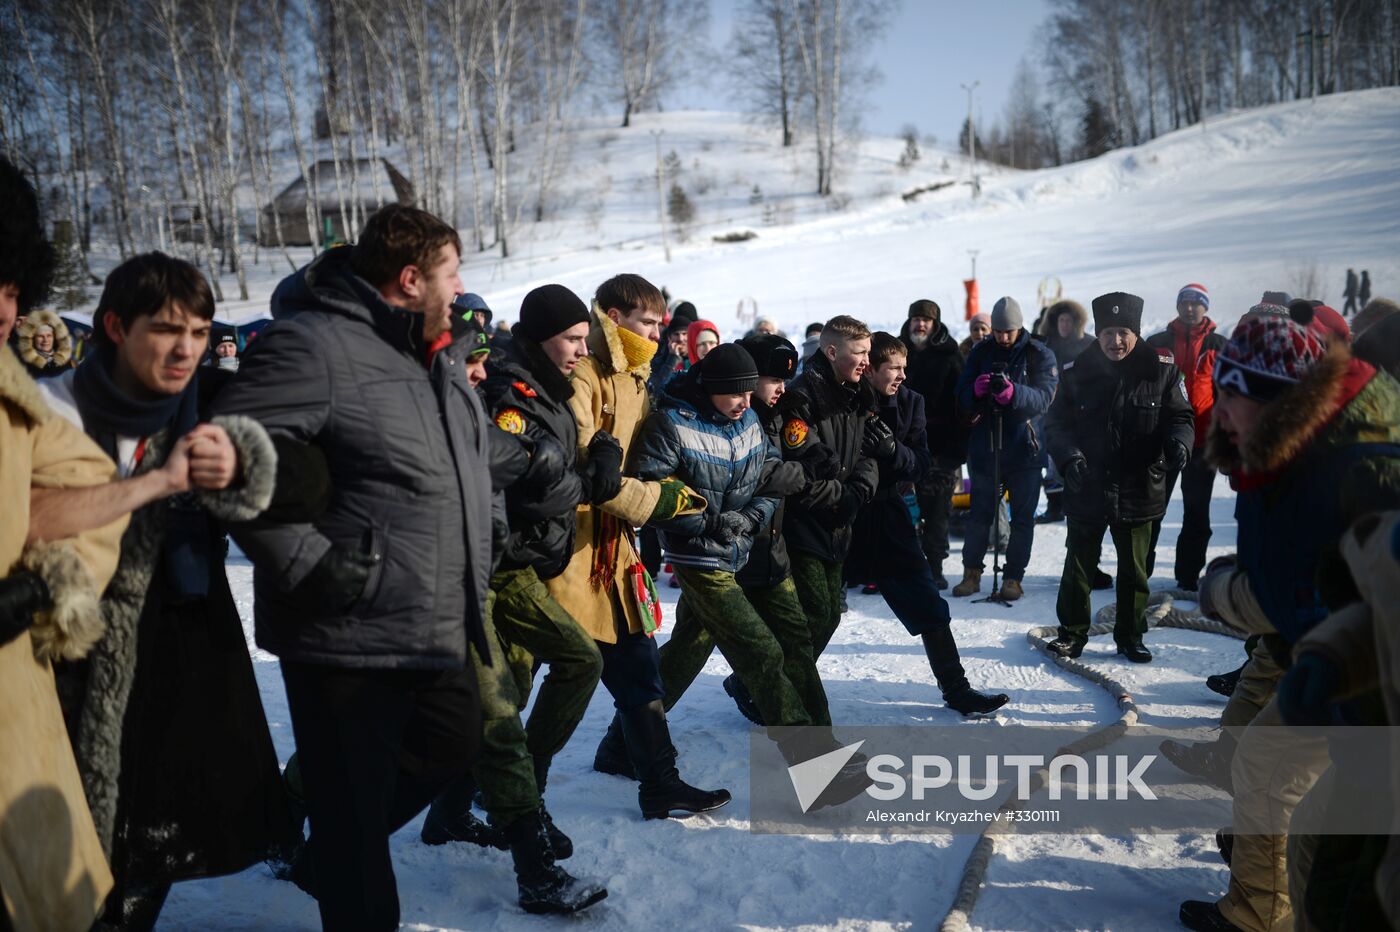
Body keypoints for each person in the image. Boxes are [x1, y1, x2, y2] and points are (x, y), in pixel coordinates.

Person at [213, 205, 493, 931]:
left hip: (432, 616)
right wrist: (309, 563)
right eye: (452, 272)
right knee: (354, 824)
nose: (463, 286)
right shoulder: (313, 345)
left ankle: (331, 848)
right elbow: (228, 456)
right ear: (411, 279)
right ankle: (342, 854)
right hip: (340, 626)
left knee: (452, 743)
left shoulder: (439, 354)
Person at [39, 252, 294, 929]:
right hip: (70, 648)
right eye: (167, 330)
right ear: (116, 328)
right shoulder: (51, 406)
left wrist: (246, 469)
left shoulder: (212, 402)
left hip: (186, 639)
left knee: (160, 840)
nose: (187, 348)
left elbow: (296, 478)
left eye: (201, 331)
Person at [1176, 307, 1400, 932]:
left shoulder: (1359, 470)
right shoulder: (1295, 440)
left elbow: (1311, 590)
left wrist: (1229, 593)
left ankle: (1258, 909)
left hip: (1378, 707)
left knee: (1311, 832)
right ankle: (1262, 893)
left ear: (1278, 401)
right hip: (1343, 674)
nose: (1218, 412)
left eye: (1231, 397)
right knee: (1277, 790)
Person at [422, 285, 610, 914]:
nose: (582, 353)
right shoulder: (508, 389)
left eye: (587, 341)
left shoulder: (536, 388)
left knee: (580, 660)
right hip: (467, 572)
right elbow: (526, 481)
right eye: (573, 340)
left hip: (507, 564)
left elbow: (539, 467)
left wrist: (577, 470)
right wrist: (576, 480)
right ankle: (534, 868)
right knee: (496, 716)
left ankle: (462, 810)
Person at [634, 342, 870, 806]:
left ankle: (623, 746)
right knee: (761, 652)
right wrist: (707, 521)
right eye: (736, 395)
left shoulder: (746, 420)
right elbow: (652, 492)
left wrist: (750, 517)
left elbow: (766, 475)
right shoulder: (672, 423)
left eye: (748, 393)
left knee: (689, 650)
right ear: (714, 389)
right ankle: (816, 770)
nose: (747, 403)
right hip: (699, 559)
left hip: (743, 547)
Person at [0, 154, 130, 932]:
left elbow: (91, 488)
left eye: (15, 288)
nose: (7, 312)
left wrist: (46, 578)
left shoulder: (11, 391)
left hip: (16, 725)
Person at [546, 274, 730, 820]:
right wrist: (659, 502)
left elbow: (651, 448)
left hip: (615, 552)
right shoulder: (585, 375)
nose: (657, 332)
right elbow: (584, 468)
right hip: (567, 551)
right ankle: (494, 784)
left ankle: (660, 783)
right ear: (615, 317)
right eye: (648, 322)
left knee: (638, 667)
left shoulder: (636, 376)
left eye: (660, 323)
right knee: (533, 672)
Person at [845, 332, 1009, 714]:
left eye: (905, 367)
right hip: (846, 516)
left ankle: (957, 690)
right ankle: (754, 682)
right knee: (817, 616)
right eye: (894, 368)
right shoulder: (847, 402)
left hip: (890, 515)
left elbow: (920, 463)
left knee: (929, 604)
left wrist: (892, 450)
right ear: (870, 369)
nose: (903, 374)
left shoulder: (911, 402)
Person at [1044, 292, 1194, 663]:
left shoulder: (1163, 371)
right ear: (1098, 333)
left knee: (1135, 571)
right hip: (1087, 484)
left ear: (1136, 333)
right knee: (1078, 567)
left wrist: (1179, 443)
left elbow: (1182, 417)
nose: (1116, 341)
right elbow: (1056, 426)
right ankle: (1072, 634)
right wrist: (1069, 458)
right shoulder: (1077, 373)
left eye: (1123, 332)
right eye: (1108, 333)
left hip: (1140, 485)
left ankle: (1131, 636)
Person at [711, 333, 839, 726]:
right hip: (724, 558)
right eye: (773, 380)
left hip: (771, 553)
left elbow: (800, 444)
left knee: (797, 646)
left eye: (786, 380)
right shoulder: (734, 419)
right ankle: (626, 746)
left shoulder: (780, 410)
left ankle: (822, 745)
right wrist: (803, 472)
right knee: (687, 653)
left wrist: (814, 454)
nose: (781, 388)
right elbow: (758, 478)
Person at [778, 315, 880, 655]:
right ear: (833, 352)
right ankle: (766, 688)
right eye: (860, 352)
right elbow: (800, 471)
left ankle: (764, 684)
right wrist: (844, 496)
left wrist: (862, 488)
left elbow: (868, 451)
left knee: (829, 616)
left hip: (840, 524)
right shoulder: (801, 398)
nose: (867, 361)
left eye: (869, 352)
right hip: (804, 524)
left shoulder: (858, 391)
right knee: (818, 615)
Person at [951, 297, 1059, 601]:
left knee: (1022, 518)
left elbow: (1044, 398)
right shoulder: (980, 351)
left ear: (1019, 326)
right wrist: (975, 391)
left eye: (1008, 331)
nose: (1002, 337)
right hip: (985, 448)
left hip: (1025, 448)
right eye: (997, 331)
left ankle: (1013, 577)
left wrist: (1014, 393)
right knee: (979, 515)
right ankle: (971, 574)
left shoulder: (1039, 353)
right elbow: (960, 396)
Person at [1146, 283, 1227, 590]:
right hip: (1160, 440)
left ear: (1206, 307)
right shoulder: (1158, 342)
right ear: (1178, 306)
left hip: (1202, 442)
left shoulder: (1220, 344)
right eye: (1185, 302)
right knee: (1150, 508)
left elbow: (1227, 394)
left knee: (1197, 512)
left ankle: (1188, 575)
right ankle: (1141, 570)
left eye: (1197, 303)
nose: (1190, 308)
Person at [900, 299, 966, 589]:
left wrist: (954, 453)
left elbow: (962, 407)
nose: (920, 324)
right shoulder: (897, 350)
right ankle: (903, 566)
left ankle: (934, 568)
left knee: (936, 512)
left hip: (939, 448)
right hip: (901, 447)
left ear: (935, 323)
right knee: (899, 511)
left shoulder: (950, 355)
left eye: (926, 320)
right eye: (916, 318)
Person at [1034, 299, 1093, 524]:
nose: (1065, 325)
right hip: (1049, 412)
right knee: (1050, 463)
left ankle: (1078, 503)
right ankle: (1054, 506)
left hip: (1080, 413)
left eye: (1069, 320)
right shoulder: (1045, 346)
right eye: (1061, 320)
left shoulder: (1089, 344)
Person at [16, 309, 75, 378]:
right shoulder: (23, 362)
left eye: (49, 336)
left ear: (54, 337)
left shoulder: (66, 362)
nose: (45, 340)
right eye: (40, 336)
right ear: (33, 339)